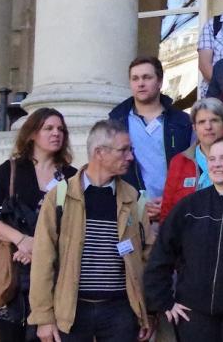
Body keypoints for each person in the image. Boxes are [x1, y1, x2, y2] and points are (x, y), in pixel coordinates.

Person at [29, 119, 155, 342]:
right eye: (123, 150)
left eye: (130, 150)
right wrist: (43, 317)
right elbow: (42, 260)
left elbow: (147, 258)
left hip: (121, 312)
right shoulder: (60, 196)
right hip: (71, 312)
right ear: (100, 153)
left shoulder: (133, 199)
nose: (130, 157)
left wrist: (147, 311)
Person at [145, 137, 223, 342]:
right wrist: (163, 301)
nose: (217, 164)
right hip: (194, 314)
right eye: (212, 159)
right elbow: (161, 254)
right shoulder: (189, 206)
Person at [0, 108, 77, 342]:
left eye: (61, 129)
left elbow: (74, 225)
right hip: (12, 273)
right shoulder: (11, 169)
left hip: (54, 274)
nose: (56, 134)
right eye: (49, 128)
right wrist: (22, 241)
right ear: (33, 133)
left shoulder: (71, 176)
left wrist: (40, 250)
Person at [108, 56, 194, 227]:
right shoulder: (115, 122)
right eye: (135, 78)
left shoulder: (183, 122)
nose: (140, 83)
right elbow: (109, 169)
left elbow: (193, 168)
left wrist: (171, 200)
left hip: (175, 213)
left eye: (147, 77)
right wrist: (137, 204)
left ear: (160, 82)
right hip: (130, 214)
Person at [160, 99, 223, 219]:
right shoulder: (179, 162)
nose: (208, 127)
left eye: (214, 120)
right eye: (202, 122)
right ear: (194, 128)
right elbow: (167, 210)